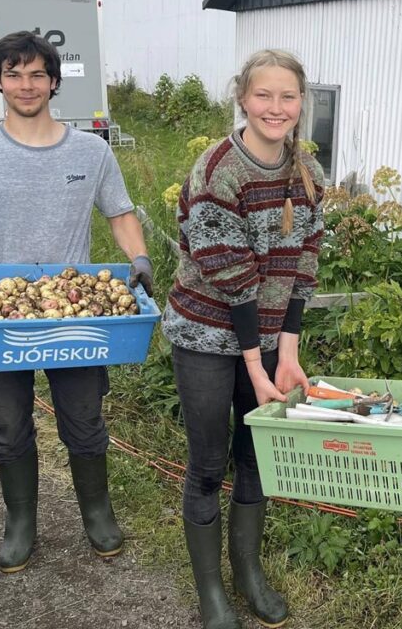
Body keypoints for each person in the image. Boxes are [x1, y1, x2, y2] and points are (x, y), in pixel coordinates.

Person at [0, 31, 154, 573]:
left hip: (73, 315)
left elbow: (120, 215)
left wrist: (139, 258)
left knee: (85, 420)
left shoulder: (91, 151)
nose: (26, 85)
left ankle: (97, 512)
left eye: (37, 75)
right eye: (14, 74)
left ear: (53, 82)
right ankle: (21, 520)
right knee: (8, 425)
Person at [162, 49, 324, 629]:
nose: (275, 108)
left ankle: (248, 572)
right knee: (209, 463)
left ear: (301, 102)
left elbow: (305, 260)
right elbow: (234, 278)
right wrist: (256, 365)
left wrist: (289, 351)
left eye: (288, 96)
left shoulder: (308, 172)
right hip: (207, 333)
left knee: (257, 458)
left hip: (269, 336)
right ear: (242, 98)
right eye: (263, 95)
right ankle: (211, 590)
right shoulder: (217, 171)